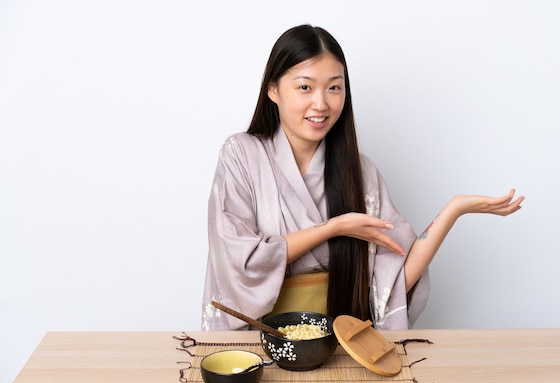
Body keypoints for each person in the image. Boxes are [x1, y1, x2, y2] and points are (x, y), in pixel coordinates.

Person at [201, 24, 523, 331]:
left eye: (334, 88)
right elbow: (238, 264)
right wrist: (334, 228)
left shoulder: (360, 171)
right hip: (258, 344)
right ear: (273, 89)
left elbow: (393, 284)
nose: (321, 103)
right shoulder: (240, 156)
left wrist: (454, 209)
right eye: (304, 87)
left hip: (336, 349)